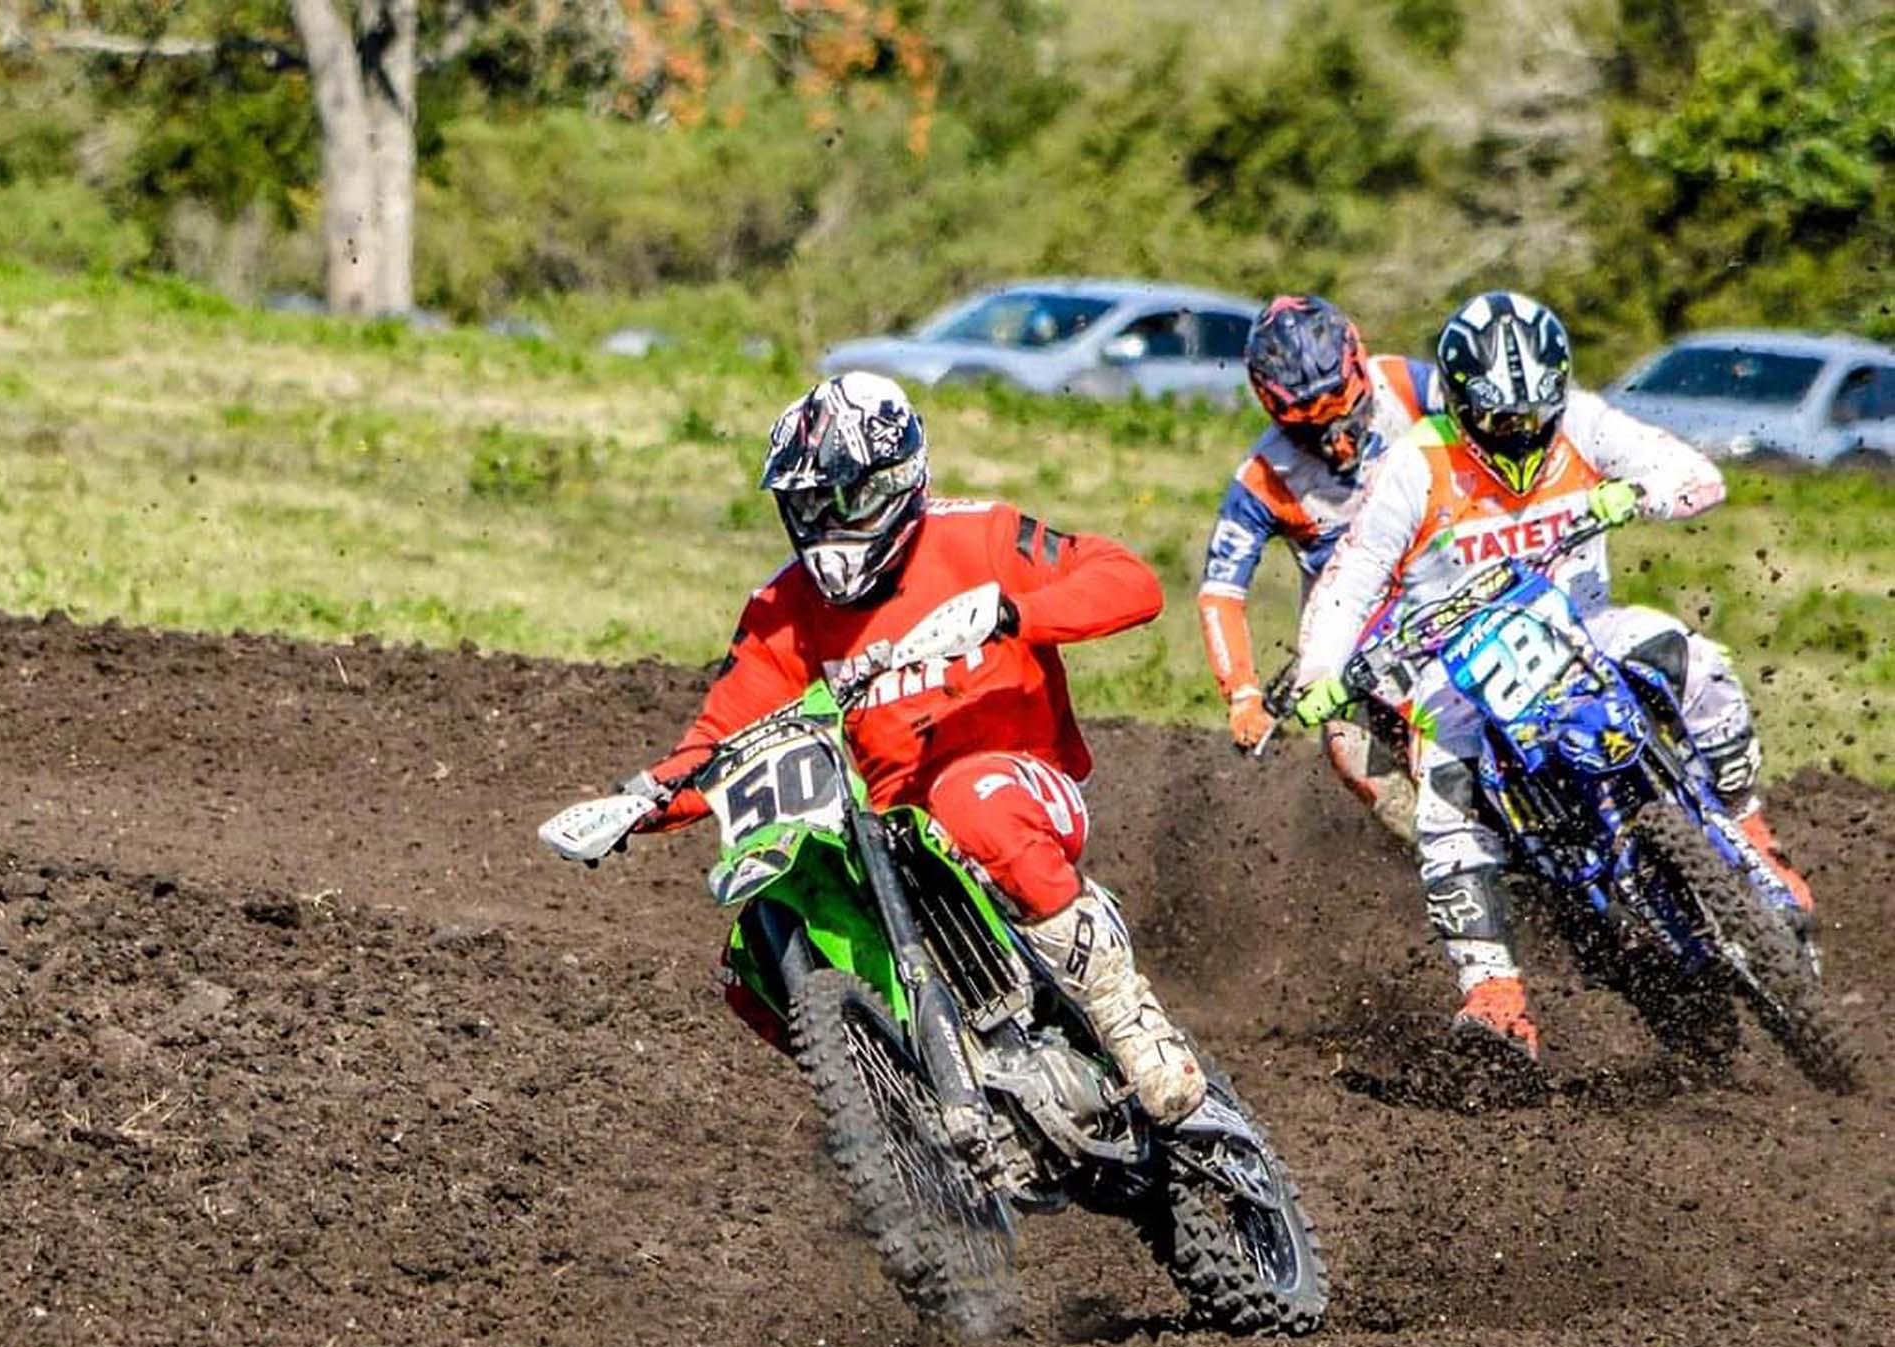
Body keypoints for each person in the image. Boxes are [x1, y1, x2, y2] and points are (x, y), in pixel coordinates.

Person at [624, 371, 1205, 1122]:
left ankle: (1129, 1019)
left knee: (971, 802)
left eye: (845, 500)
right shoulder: (782, 610)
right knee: (756, 947)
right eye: (808, 506)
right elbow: (717, 741)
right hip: (893, 830)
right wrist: (639, 801)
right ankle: (903, 1116)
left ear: (897, 481)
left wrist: (1012, 613)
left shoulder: (980, 536)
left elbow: (1131, 582)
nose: (826, 525)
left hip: (1024, 787)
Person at [1291, 290, 1813, 1061]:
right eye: (1500, 418)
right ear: (1461, 405)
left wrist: (1644, 492)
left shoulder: (1583, 420)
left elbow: (1694, 472)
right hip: (1460, 667)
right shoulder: (1416, 464)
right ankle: (1495, 997)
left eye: (1534, 413)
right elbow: (1352, 576)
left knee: (1691, 659)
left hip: (1583, 627)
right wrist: (1320, 673)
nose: (1522, 431)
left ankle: (1753, 833)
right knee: (1444, 795)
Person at [1198, 295, 1437, 839]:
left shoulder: (1404, 384)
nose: (1339, 441)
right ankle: (1443, 862)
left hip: (1457, 582)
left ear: (1358, 369)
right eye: (1312, 429)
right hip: (1355, 638)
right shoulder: (1262, 478)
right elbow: (1220, 593)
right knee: (1347, 748)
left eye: (1344, 413)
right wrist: (1243, 694)